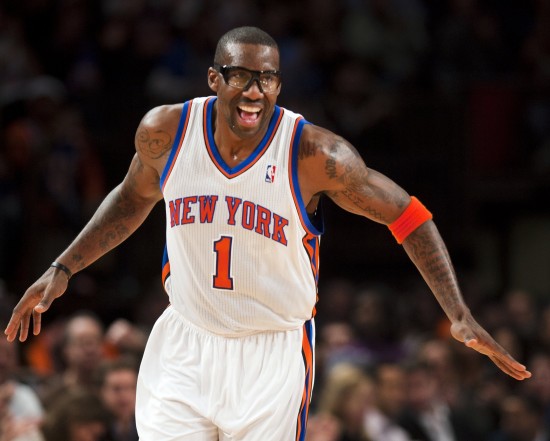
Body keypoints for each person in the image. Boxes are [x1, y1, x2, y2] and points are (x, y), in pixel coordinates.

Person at [4, 26, 531, 440]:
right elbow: (132, 197)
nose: (257, 91)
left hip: (271, 352)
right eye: (243, 76)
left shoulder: (315, 155)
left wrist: (457, 312)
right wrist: (63, 266)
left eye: (270, 79)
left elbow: (408, 215)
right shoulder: (165, 132)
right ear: (214, 78)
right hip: (186, 340)